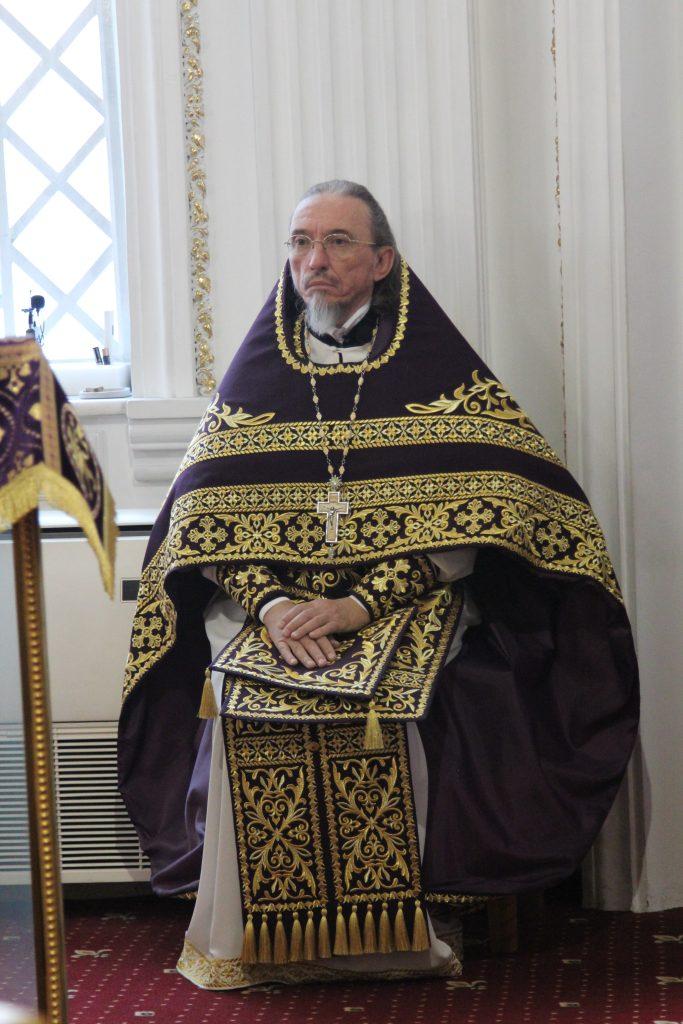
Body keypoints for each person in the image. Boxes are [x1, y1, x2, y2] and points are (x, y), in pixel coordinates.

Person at [118, 180, 639, 991]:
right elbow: (203, 525)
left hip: (406, 602)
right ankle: (256, 935)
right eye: (300, 243)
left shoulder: (441, 376)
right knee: (248, 704)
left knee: (387, 704)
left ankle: (396, 933)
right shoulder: (257, 380)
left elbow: (481, 518)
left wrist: (356, 604)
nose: (314, 261)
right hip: (276, 610)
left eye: (337, 242)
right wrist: (277, 606)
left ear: (383, 260)